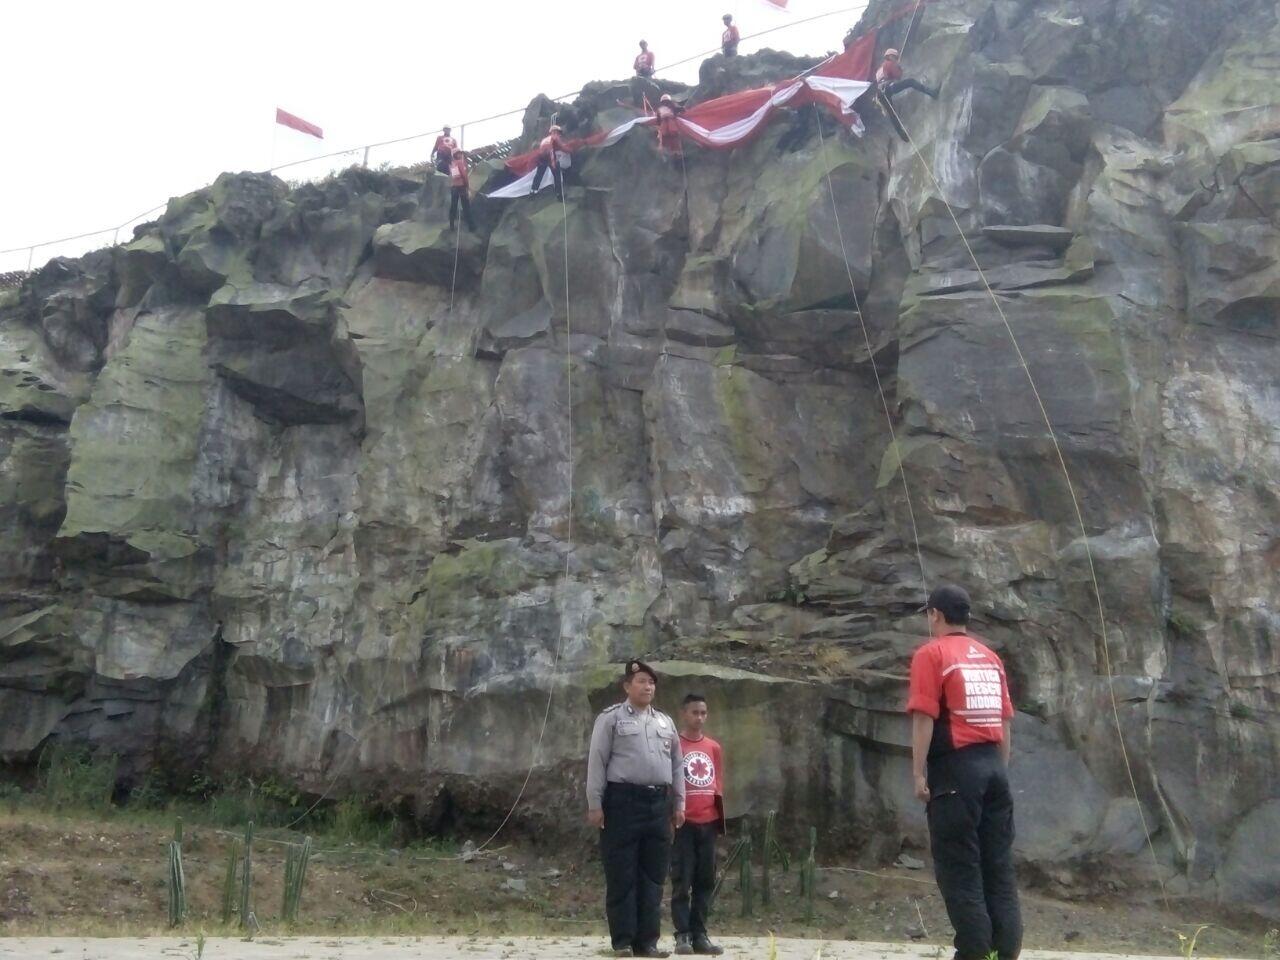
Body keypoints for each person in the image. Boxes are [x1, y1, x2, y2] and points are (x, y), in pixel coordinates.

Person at [907, 585, 1022, 960]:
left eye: (929, 615)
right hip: (994, 770)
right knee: (998, 868)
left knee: (960, 870)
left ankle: (972, 952)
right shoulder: (990, 658)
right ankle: (1004, 951)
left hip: (956, 773)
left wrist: (919, 774)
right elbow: (1004, 723)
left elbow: (924, 717)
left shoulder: (931, 654)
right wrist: (999, 772)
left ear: (936, 615)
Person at [587, 660, 685, 959]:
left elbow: (677, 765)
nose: (648, 687)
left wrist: (679, 803)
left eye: (651, 682)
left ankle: (648, 942)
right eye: (641, 681)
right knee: (622, 874)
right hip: (622, 803)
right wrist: (595, 803)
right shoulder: (611, 719)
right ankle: (623, 942)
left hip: (657, 803)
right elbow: (597, 761)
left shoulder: (665, 722)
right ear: (627, 686)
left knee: (653, 876)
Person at [670, 694, 724, 956]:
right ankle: (682, 935)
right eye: (694, 712)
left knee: (705, 881)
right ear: (684, 714)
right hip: (684, 823)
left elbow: (717, 783)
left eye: (703, 712)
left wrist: (717, 817)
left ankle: (700, 933)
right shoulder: (675, 745)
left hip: (708, 822)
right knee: (682, 881)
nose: (699, 717)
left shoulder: (713, 747)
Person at [530, 124, 568, 201]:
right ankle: (559, 195)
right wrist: (570, 150)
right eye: (558, 132)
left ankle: (533, 192)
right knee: (557, 176)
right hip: (550, 157)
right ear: (555, 132)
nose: (559, 134)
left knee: (539, 175)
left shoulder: (544, 139)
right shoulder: (555, 137)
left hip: (541, 158)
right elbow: (561, 147)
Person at [448, 149, 476, 232]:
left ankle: (451, 225)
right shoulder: (460, 162)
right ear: (455, 155)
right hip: (461, 187)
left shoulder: (452, 164)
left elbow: (456, 175)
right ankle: (471, 227)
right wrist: (467, 186)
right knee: (466, 207)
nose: (460, 154)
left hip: (454, 187)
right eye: (458, 153)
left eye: (460, 153)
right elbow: (464, 175)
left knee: (453, 206)